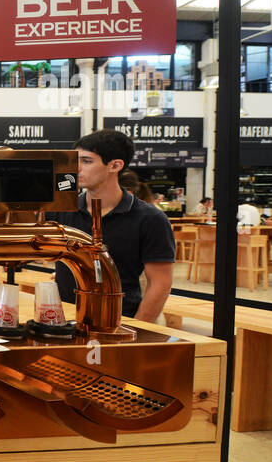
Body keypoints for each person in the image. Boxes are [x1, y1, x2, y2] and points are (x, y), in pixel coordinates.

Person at [45, 129, 175, 323]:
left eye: (87, 161)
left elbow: (160, 284)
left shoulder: (150, 219)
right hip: (63, 322)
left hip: (120, 320)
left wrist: (137, 329)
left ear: (115, 165)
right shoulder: (61, 209)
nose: (76, 168)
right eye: (76, 160)